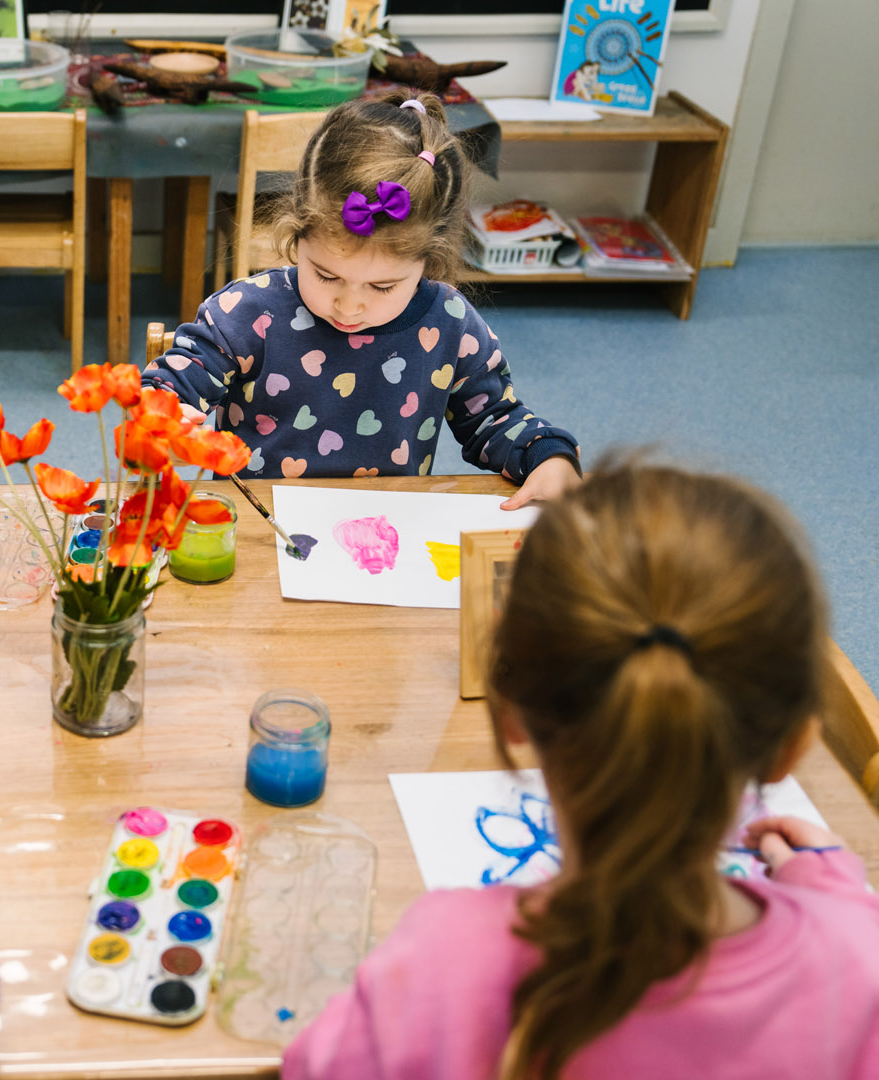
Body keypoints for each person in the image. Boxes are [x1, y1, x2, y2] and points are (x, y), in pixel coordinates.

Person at [284, 463, 879, 1080]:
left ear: (509, 709)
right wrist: (839, 900)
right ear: (795, 746)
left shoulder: (443, 965)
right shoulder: (861, 964)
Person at [144, 92, 579, 510]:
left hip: (387, 536)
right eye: (327, 275)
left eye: (383, 287)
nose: (348, 306)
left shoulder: (452, 325)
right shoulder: (247, 312)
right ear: (296, 235)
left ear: (430, 261)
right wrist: (162, 415)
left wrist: (549, 458)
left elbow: (494, 419)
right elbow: (172, 384)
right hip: (264, 528)